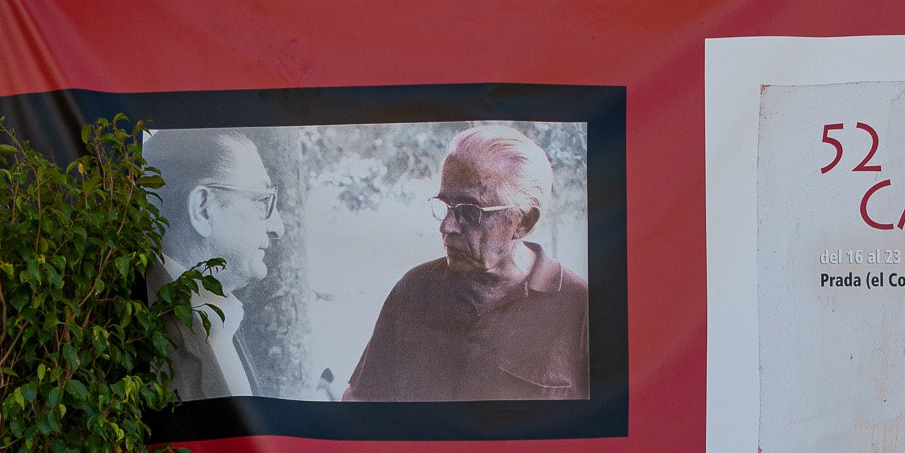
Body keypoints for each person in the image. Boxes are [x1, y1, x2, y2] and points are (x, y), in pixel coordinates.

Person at [343, 125, 589, 402]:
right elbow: (360, 402)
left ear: (524, 222)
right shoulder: (414, 290)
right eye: (444, 206)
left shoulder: (581, 309)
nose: (446, 227)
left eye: (470, 212)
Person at [141, 128, 283, 399]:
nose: (279, 228)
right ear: (203, 209)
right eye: (263, 200)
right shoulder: (146, 333)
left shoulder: (221, 314)